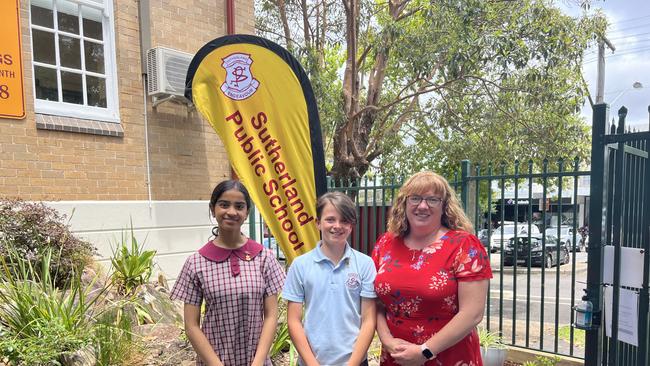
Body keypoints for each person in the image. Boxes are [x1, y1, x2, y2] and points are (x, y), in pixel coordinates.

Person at [372, 171, 492, 365]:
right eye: (415, 198)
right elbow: (375, 302)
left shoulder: (464, 246)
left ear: (444, 206)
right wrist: (387, 341)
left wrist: (425, 351)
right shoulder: (385, 244)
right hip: (397, 357)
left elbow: (472, 313)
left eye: (432, 200)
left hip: (449, 356)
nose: (422, 206)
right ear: (404, 203)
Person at [170, 180, 285, 366]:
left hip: (257, 360)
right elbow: (191, 326)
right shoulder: (196, 263)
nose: (231, 212)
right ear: (212, 209)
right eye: (224, 204)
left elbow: (271, 315)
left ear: (247, 212)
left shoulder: (264, 258)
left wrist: (258, 361)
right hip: (214, 360)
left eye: (239, 206)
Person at [282, 192, 377, 366]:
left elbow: (369, 320)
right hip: (311, 362)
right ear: (318, 223)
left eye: (344, 221)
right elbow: (293, 320)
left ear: (352, 225)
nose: (337, 226)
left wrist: (353, 363)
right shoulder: (300, 265)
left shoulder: (365, 264)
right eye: (330, 219)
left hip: (354, 361)